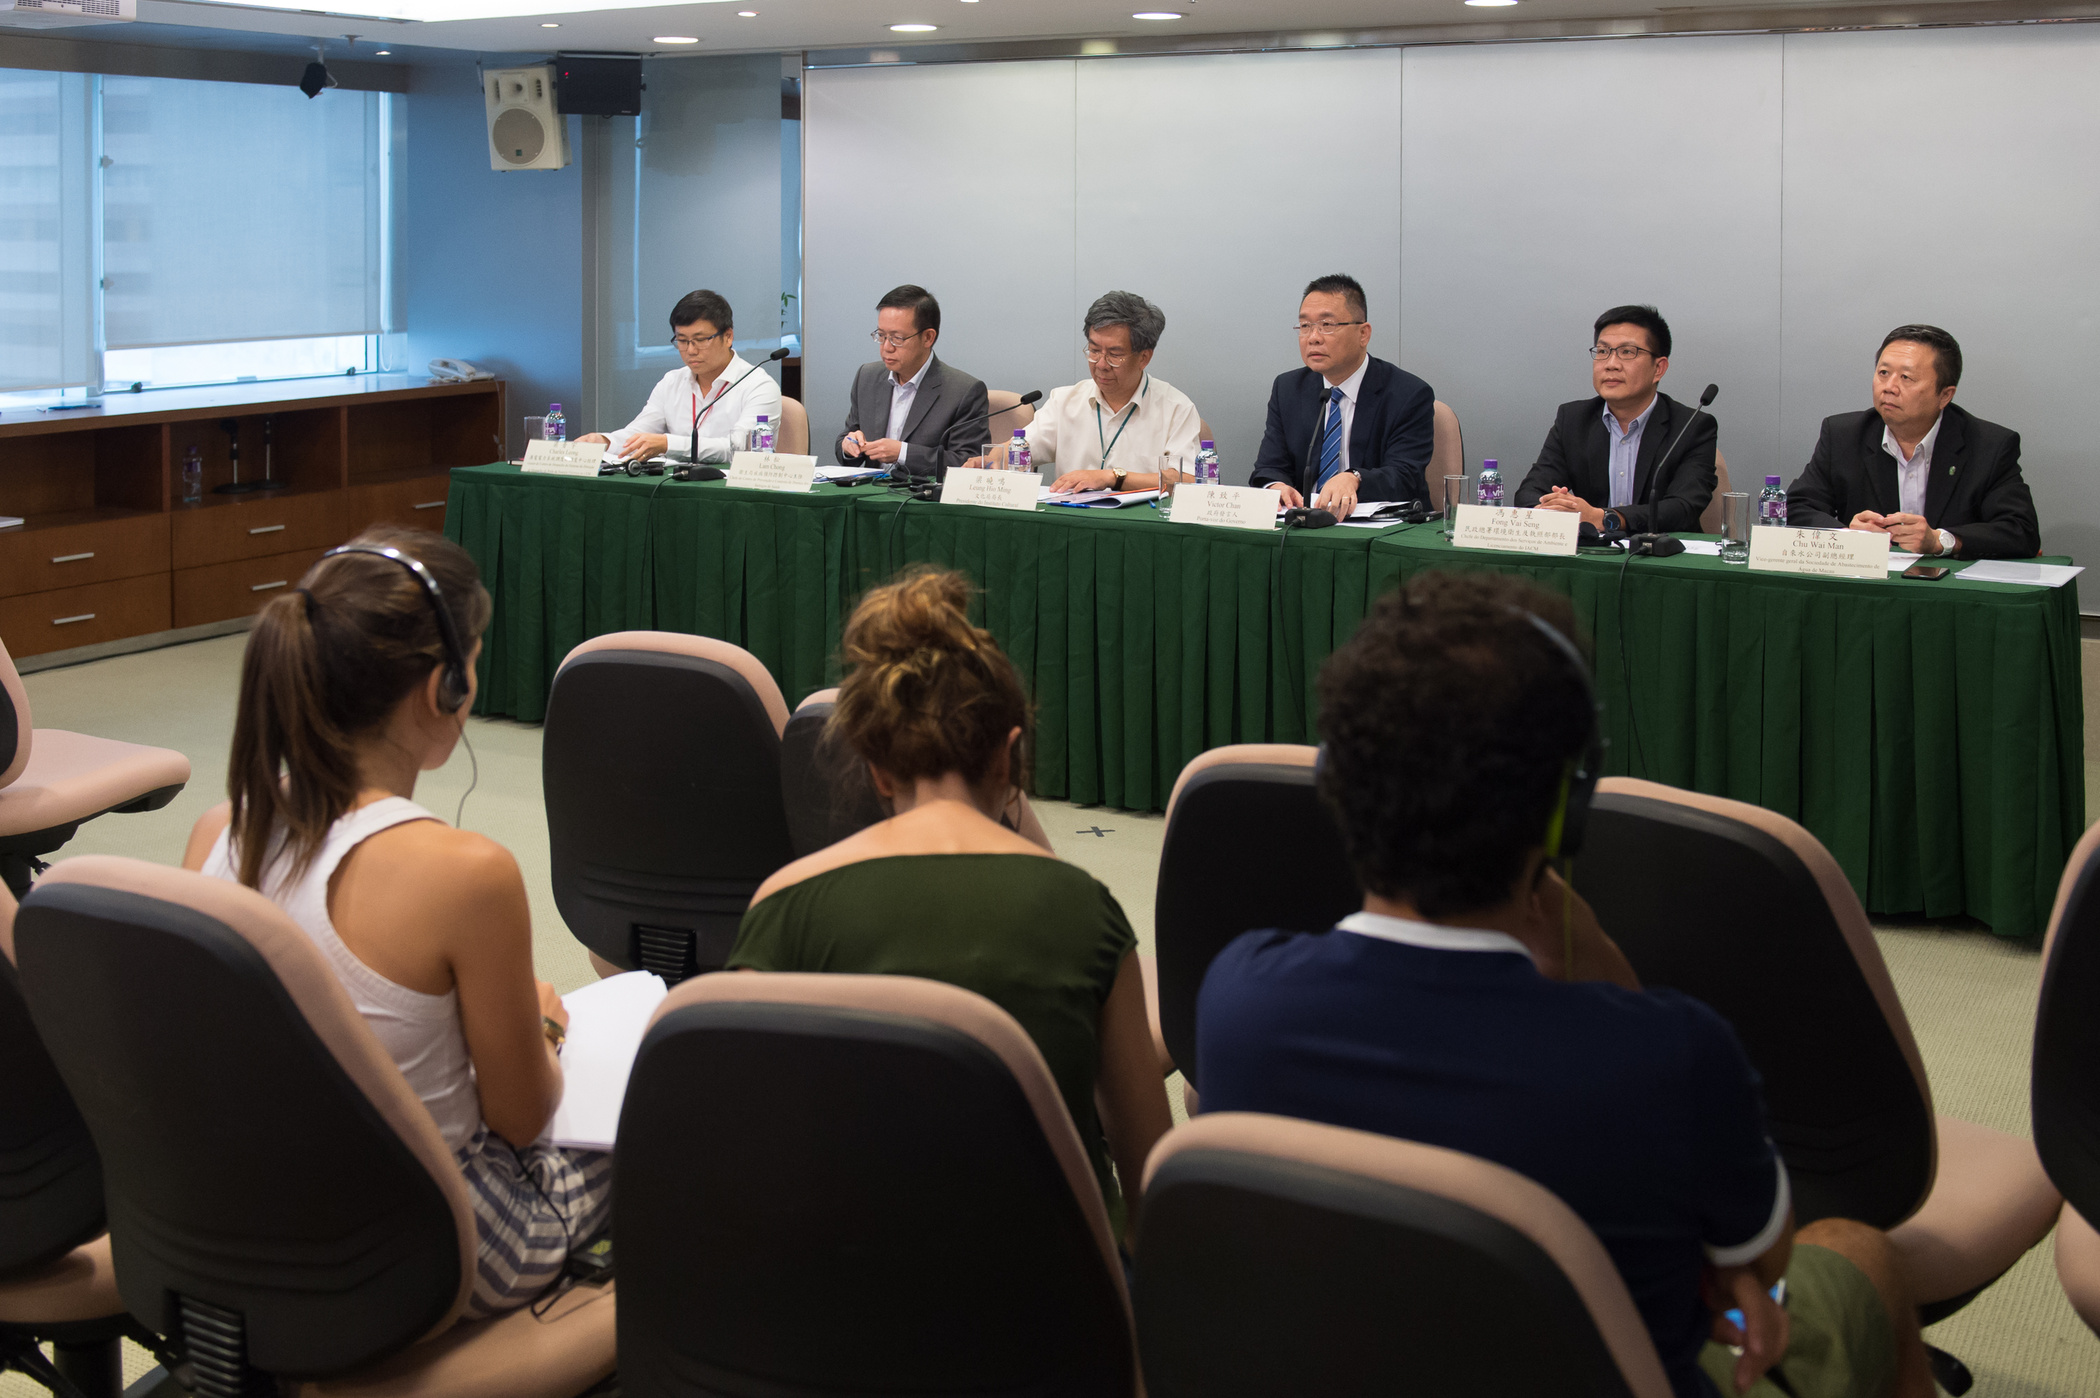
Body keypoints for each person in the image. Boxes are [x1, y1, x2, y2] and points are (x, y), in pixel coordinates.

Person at [1195, 570, 1932, 1398]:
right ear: (1565, 811)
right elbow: (1766, 1263)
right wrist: (1600, 955)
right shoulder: (1671, 1057)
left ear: (1337, 779)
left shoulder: (1237, 1000)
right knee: (1866, 1256)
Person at [181, 527, 609, 1319]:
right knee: (667, 1121)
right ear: (441, 690)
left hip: (250, 1222)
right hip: (415, 1249)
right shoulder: (466, 872)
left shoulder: (220, 831)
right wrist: (546, 1029)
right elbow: (521, 1120)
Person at [727, 567, 1171, 1241]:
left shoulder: (782, 906)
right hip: (1059, 1295)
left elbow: (749, 1156)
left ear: (877, 770)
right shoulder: (1086, 912)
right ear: (1009, 757)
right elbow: (1152, 1195)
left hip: (848, 1291)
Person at [1786, 325, 2038, 559]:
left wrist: (1941, 541)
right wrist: (1847, 536)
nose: (1889, 387)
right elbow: (1796, 507)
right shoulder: (1844, 435)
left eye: (1906, 377)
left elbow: (2020, 530)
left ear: (1945, 395)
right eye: (1883, 373)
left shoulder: (1989, 446)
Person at [1515, 304, 1718, 536]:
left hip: (1662, 554)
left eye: (1627, 352)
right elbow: (1529, 492)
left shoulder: (1692, 427)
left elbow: (1683, 508)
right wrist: (1553, 509)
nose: (1611, 364)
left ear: (1658, 369)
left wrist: (1604, 518)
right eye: (1603, 351)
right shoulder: (1573, 420)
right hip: (1593, 553)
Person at [1250, 274, 1436, 518]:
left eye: (1327, 325)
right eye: (1305, 326)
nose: (1313, 337)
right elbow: (1268, 466)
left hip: (1378, 528)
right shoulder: (1288, 389)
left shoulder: (1408, 394)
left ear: (1363, 334)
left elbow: (1406, 475)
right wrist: (1276, 487)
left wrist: (1354, 478)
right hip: (1304, 524)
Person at [1011, 291, 1203, 495]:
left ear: (1144, 358)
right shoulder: (1064, 401)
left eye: (1115, 355)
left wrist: (1113, 477)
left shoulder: (1176, 408)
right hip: (1072, 512)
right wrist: (994, 456)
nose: (1101, 364)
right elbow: (1018, 450)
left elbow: (1189, 480)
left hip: (1145, 514)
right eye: (1094, 351)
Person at [579, 289, 783, 464]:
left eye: (700, 340)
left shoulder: (759, 385)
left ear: (728, 336)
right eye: (682, 341)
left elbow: (739, 448)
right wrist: (605, 442)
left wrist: (668, 444)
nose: (691, 350)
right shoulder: (672, 382)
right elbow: (639, 433)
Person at [833, 284, 990, 480]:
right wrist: (848, 446)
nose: (886, 347)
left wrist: (903, 453)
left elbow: (967, 462)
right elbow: (847, 438)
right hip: (869, 491)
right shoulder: (867, 377)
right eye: (881, 336)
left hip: (920, 495)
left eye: (897, 338)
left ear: (928, 338)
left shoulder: (963, 391)